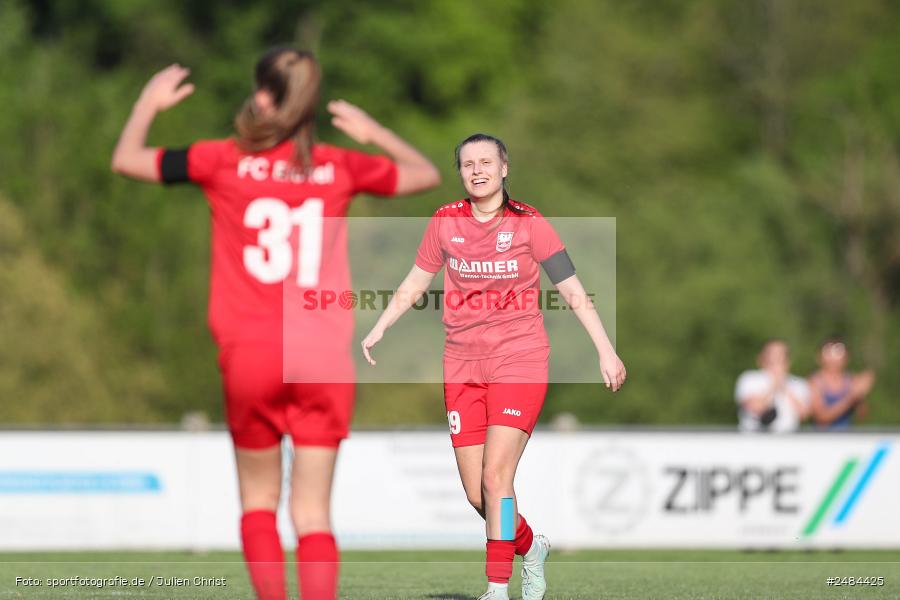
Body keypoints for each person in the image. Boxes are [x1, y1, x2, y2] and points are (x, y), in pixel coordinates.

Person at [110, 49, 440, 600]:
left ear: (264, 97)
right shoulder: (339, 166)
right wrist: (374, 131)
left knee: (259, 504)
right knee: (313, 512)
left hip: (252, 353)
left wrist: (147, 104)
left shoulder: (220, 159)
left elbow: (126, 159)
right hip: (323, 354)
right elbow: (426, 174)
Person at [360, 133, 625, 600]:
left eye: (486, 162)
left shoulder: (530, 223)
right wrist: (380, 325)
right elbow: (416, 281)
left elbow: (572, 289)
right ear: (460, 173)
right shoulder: (444, 221)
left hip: (519, 358)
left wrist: (605, 348)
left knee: (496, 477)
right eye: (467, 164)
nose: (477, 170)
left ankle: (497, 589)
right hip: (461, 363)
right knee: (477, 494)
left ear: (504, 168)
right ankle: (530, 545)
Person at [735, 339, 810, 433]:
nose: (776, 358)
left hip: (788, 439)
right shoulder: (749, 378)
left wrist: (784, 386)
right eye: (772, 354)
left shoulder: (798, 383)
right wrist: (773, 386)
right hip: (754, 438)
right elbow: (755, 408)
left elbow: (804, 414)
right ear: (763, 357)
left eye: (780, 354)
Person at [808, 338, 875, 430]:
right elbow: (821, 419)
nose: (833, 358)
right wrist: (851, 397)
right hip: (821, 441)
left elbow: (863, 416)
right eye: (828, 352)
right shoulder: (815, 382)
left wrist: (861, 393)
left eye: (838, 352)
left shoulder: (851, 381)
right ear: (819, 356)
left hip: (845, 440)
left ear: (846, 357)